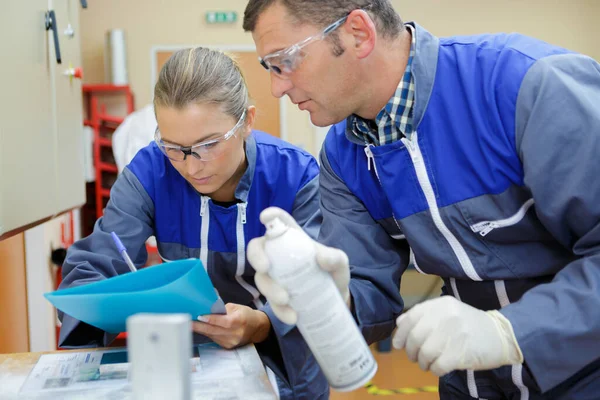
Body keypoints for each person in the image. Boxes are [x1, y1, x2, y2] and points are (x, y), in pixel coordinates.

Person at [242, 0, 600, 398]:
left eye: (284, 61)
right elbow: (368, 286)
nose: (277, 87)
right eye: (269, 69)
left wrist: (510, 331)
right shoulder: (344, 156)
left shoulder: (525, 85)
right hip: (470, 381)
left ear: (358, 33)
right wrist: (328, 298)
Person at [58, 47, 328, 399]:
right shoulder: (151, 172)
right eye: (173, 147)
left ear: (247, 121)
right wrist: (92, 309)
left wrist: (262, 325)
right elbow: (98, 261)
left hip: (286, 371)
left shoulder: (297, 177)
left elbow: (322, 296)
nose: (191, 166)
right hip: (188, 367)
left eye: (209, 144)